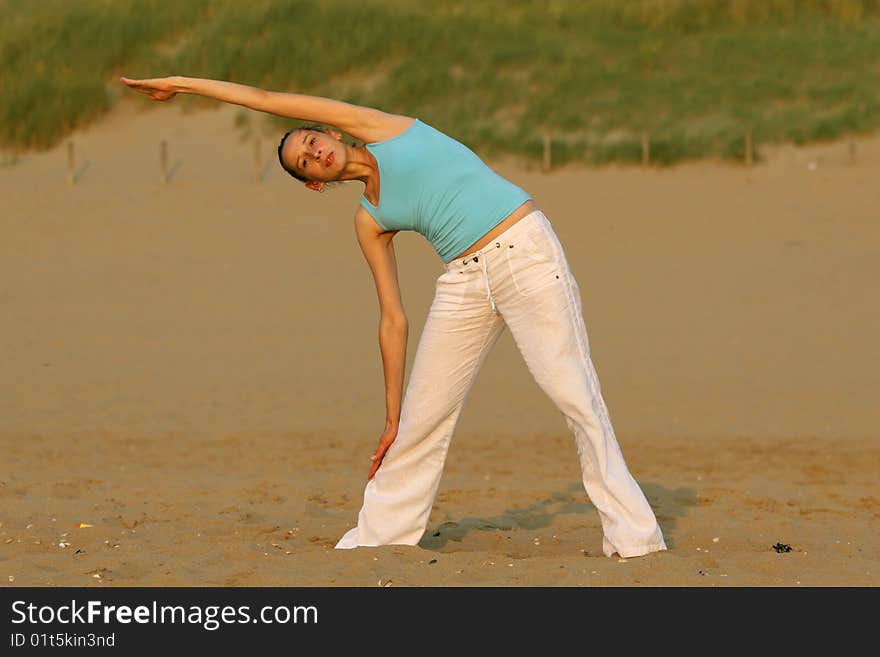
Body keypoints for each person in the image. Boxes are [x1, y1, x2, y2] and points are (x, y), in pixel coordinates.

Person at [120, 74, 667, 558]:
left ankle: (635, 539)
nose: (315, 154)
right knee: (420, 419)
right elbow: (392, 320)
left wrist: (184, 84)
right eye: (305, 164)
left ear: (330, 132)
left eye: (312, 142)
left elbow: (267, 98)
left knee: (574, 394)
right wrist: (390, 417)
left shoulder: (384, 127)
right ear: (315, 183)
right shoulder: (369, 220)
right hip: (464, 279)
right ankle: (381, 537)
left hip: (523, 251)